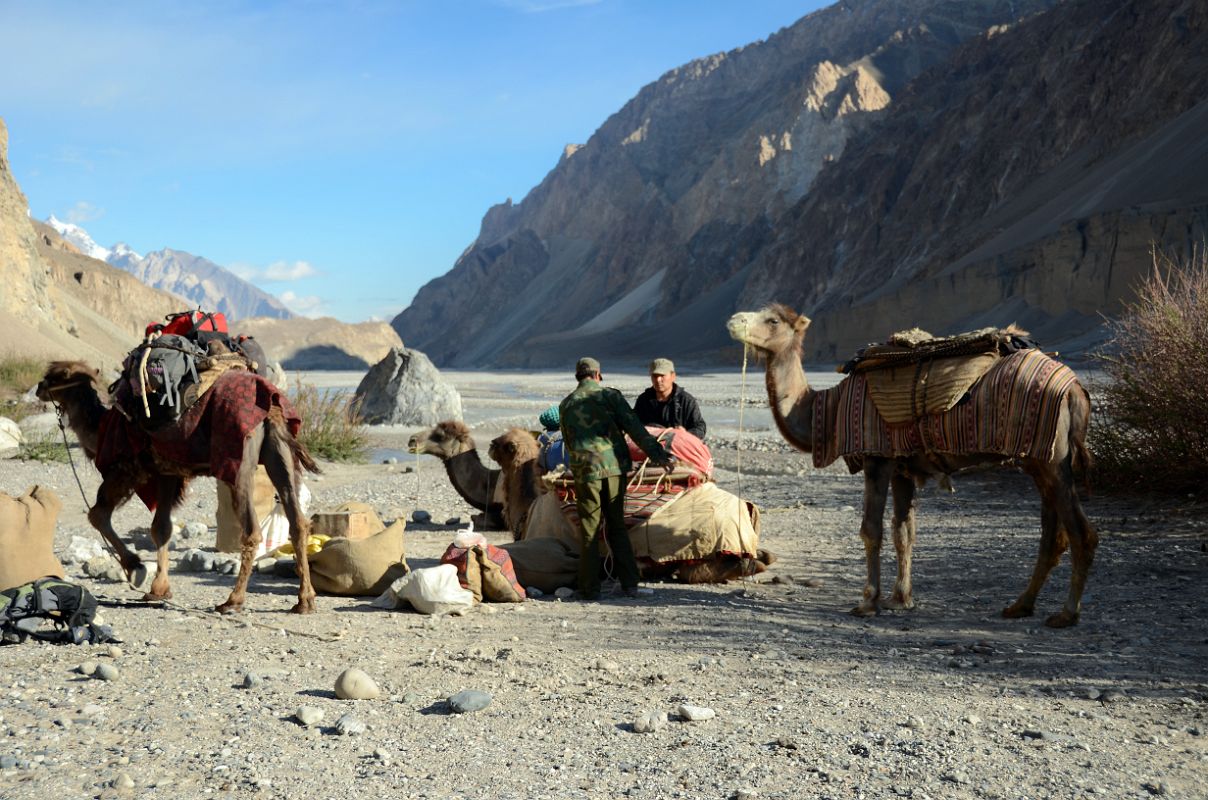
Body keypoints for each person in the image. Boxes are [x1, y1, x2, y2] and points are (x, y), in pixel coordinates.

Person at [559, 357, 676, 600]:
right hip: (613, 470)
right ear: (598, 374)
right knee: (616, 527)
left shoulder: (566, 404)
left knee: (589, 529)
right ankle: (630, 584)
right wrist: (657, 454)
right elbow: (635, 428)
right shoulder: (611, 397)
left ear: (577, 377)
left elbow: (569, 442)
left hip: (585, 473)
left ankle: (589, 589)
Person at [633, 358, 706, 440]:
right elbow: (633, 425)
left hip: (678, 448)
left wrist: (685, 434)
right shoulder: (644, 400)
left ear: (673, 376)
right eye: (655, 376)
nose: (658, 380)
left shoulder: (686, 401)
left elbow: (700, 428)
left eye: (662, 375)